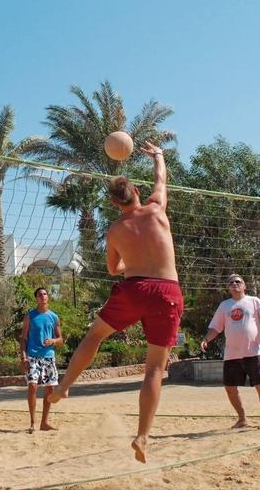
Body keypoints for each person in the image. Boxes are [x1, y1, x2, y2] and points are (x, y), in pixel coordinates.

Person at [48, 141, 183, 464]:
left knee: (94, 336)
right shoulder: (156, 210)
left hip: (134, 289)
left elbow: (112, 269)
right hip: (166, 291)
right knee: (154, 368)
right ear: (136, 191)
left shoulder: (114, 230)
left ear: (112, 202)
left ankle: (65, 385)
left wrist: (132, 265)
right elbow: (161, 181)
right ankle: (143, 436)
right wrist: (158, 156)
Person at [201, 274, 260, 431]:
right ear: (228, 287)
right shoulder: (224, 305)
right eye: (231, 282)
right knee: (230, 388)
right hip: (232, 354)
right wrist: (206, 340)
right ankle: (242, 419)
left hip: (254, 351)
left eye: (238, 282)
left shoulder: (254, 301)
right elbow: (216, 327)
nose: (234, 284)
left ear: (244, 286)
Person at [20, 287, 63, 433]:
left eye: (45, 294)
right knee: (32, 386)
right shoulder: (30, 316)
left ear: (48, 297)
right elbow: (23, 338)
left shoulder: (54, 317)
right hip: (32, 356)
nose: (43, 296)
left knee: (49, 390)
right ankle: (32, 422)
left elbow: (61, 339)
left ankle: (44, 422)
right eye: (40, 294)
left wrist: (53, 341)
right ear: (36, 298)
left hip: (49, 357)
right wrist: (23, 357)